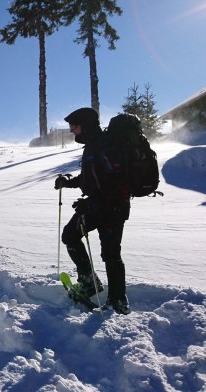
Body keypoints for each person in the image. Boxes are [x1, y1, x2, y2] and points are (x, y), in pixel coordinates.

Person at [54, 107, 131, 314]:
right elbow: (92, 179)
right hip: (101, 206)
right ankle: (92, 283)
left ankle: (116, 300)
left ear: (85, 125)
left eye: (74, 126)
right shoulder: (94, 146)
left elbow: (116, 181)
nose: (72, 131)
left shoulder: (105, 146)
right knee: (71, 236)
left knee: (110, 253)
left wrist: (91, 203)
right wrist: (67, 183)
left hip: (111, 208)